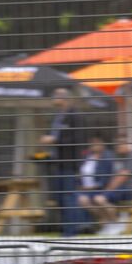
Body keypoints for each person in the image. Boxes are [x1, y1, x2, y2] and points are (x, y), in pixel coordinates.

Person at [41, 87, 88, 236]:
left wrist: (55, 140)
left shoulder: (74, 115)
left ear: (65, 98)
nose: (54, 98)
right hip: (58, 162)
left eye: (57, 95)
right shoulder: (58, 115)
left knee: (69, 196)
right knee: (60, 197)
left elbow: (75, 139)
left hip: (69, 162)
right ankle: (67, 229)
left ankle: (71, 231)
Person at [86, 137, 132, 232]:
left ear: (126, 144)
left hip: (130, 190)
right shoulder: (119, 156)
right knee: (89, 199)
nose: (116, 147)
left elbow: (122, 177)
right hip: (119, 189)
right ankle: (109, 223)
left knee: (100, 199)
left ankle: (116, 223)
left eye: (119, 145)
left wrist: (108, 189)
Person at [76, 134, 114, 222]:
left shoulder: (107, 157)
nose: (93, 145)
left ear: (103, 144)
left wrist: (92, 187)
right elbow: (79, 173)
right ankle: (103, 219)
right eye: (92, 143)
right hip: (86, 190)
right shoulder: (87, 157)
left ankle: (113, 221)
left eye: (96, 143)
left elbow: (106, 178)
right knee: (82, 200)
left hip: (100, 189)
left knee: (99, 200)